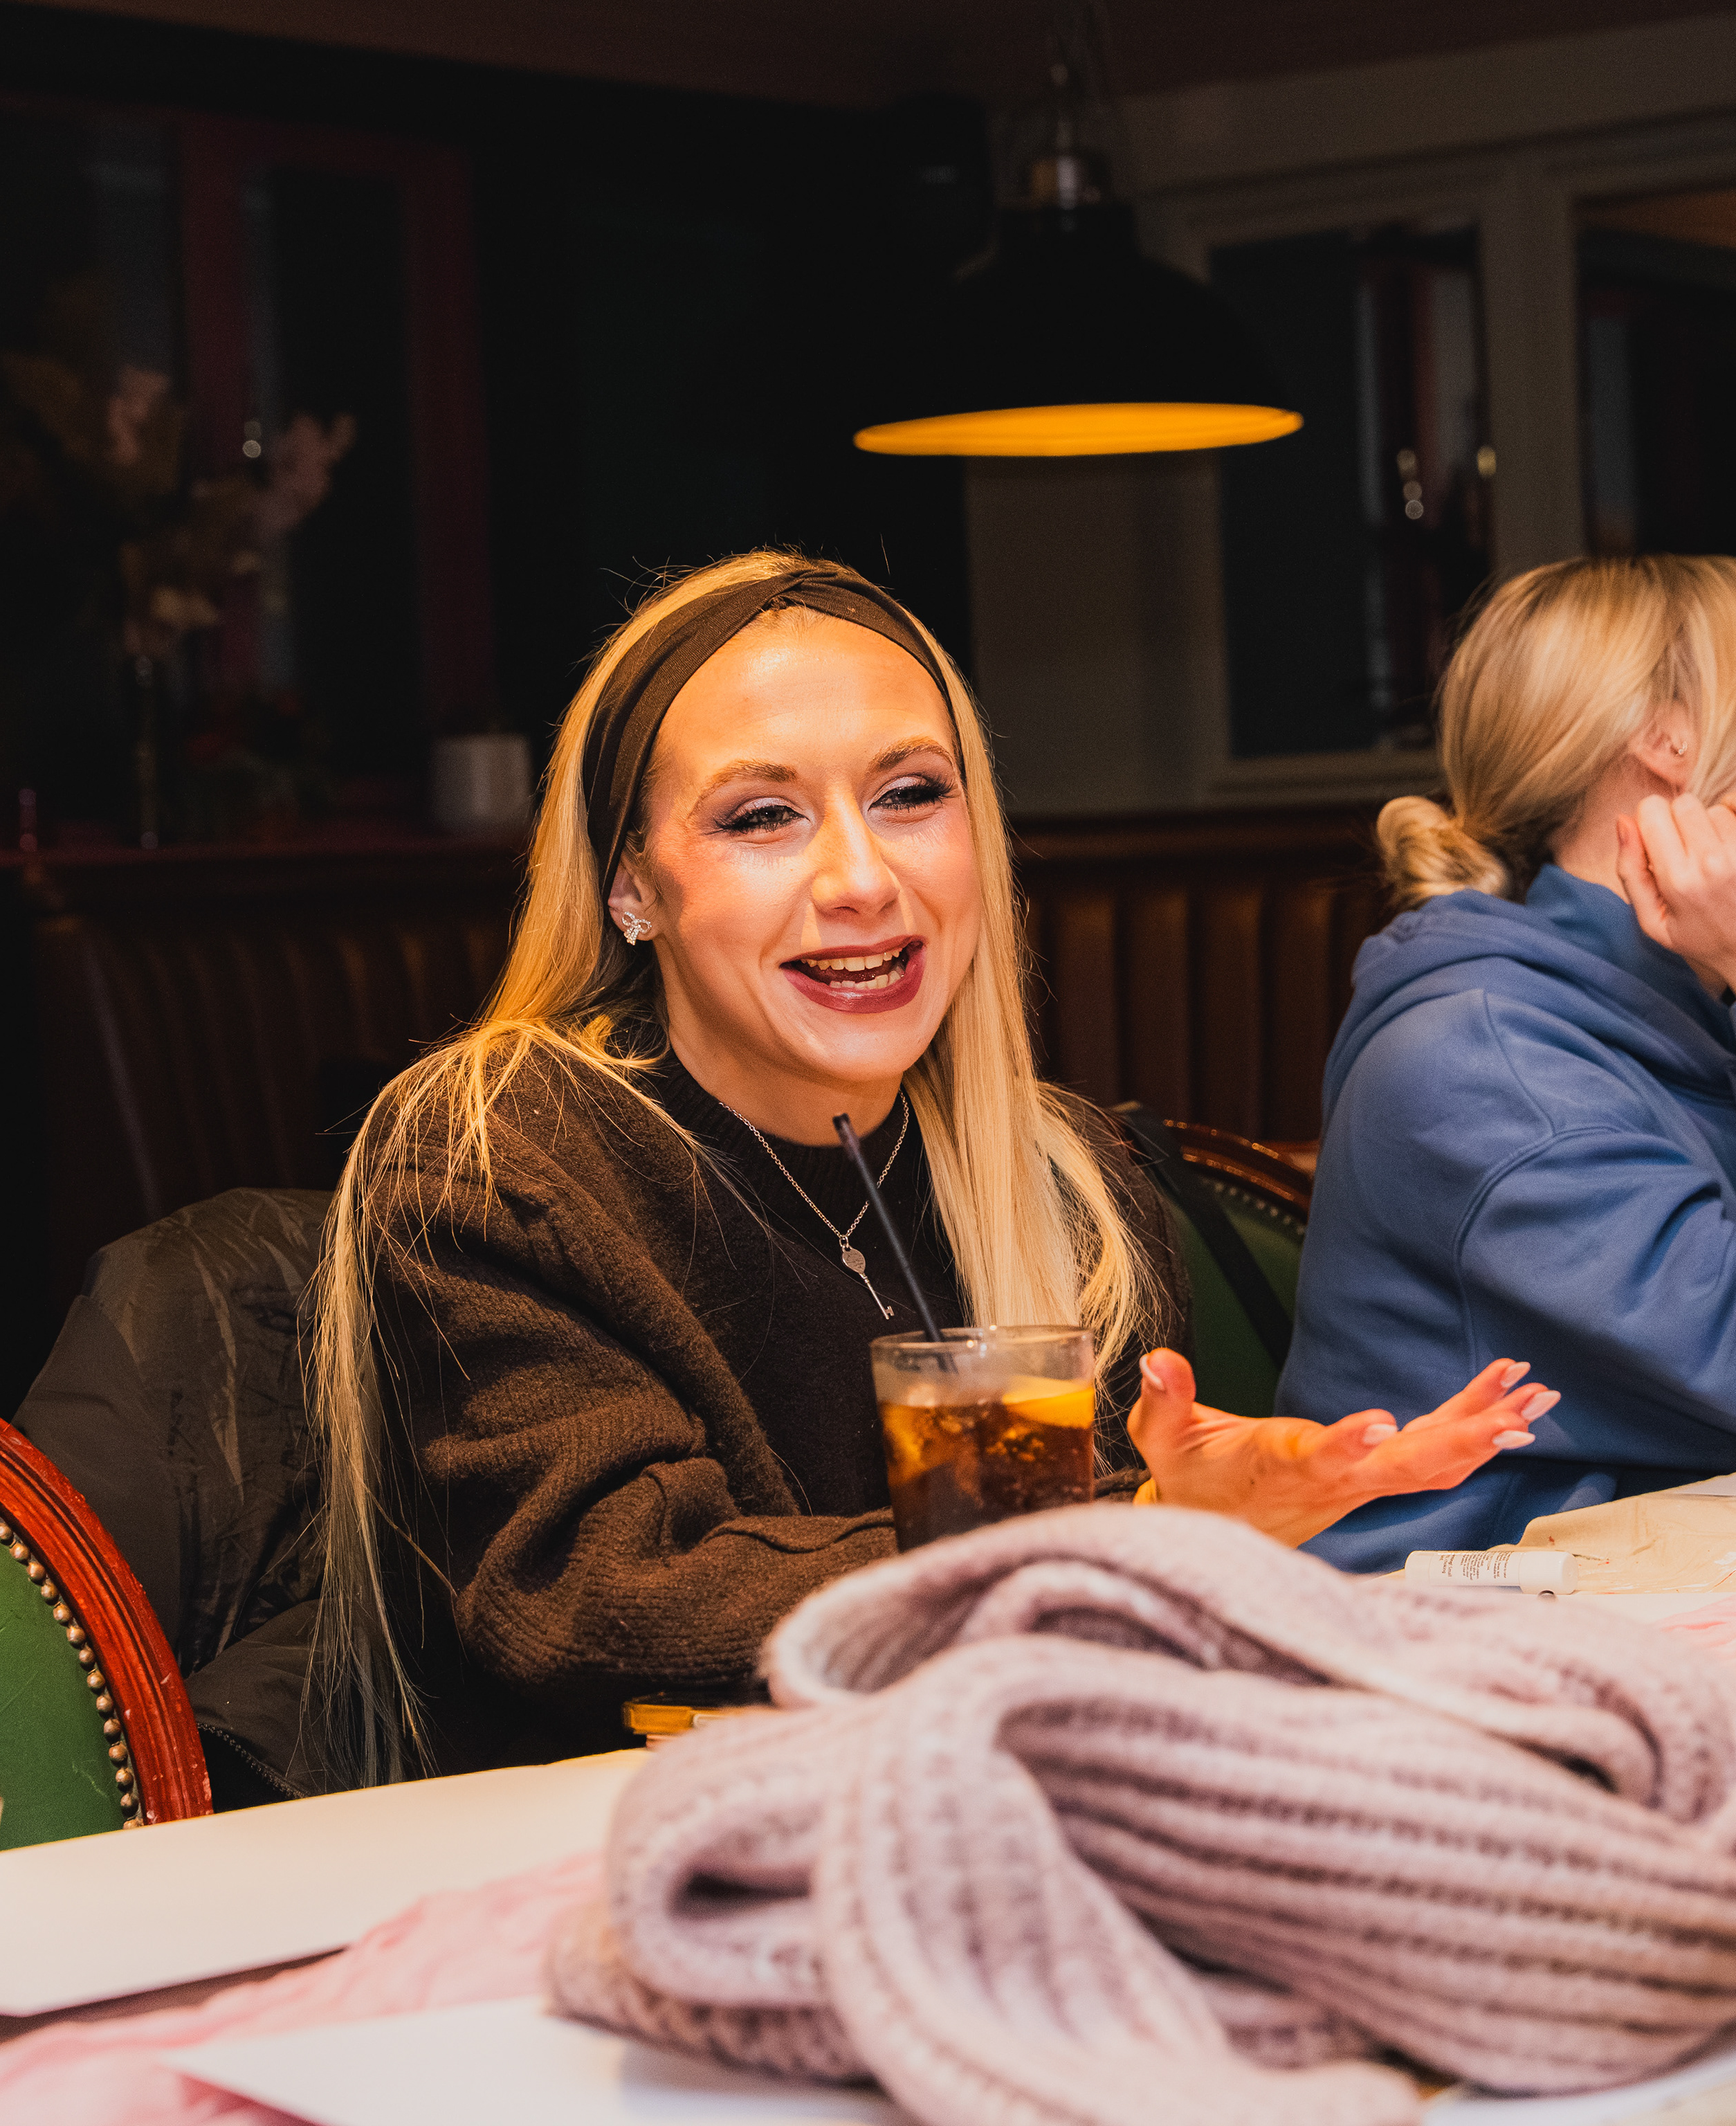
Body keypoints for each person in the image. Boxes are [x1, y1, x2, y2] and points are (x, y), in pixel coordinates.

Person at [305, 552, 1551, 1783]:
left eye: (910, 795)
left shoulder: (1071, 1187)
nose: (862, 880)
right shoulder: (498, 1156)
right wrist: (1125, 1542)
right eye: (761, 816)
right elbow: (604, 1600)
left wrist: (1225, 1538)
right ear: (633, 886)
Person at [1279, 555, 1736, 1572]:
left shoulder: (1689, 1004)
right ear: (1671, 740)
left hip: (1668, 1590)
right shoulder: (1488, 1066)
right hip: (1450, 1638)